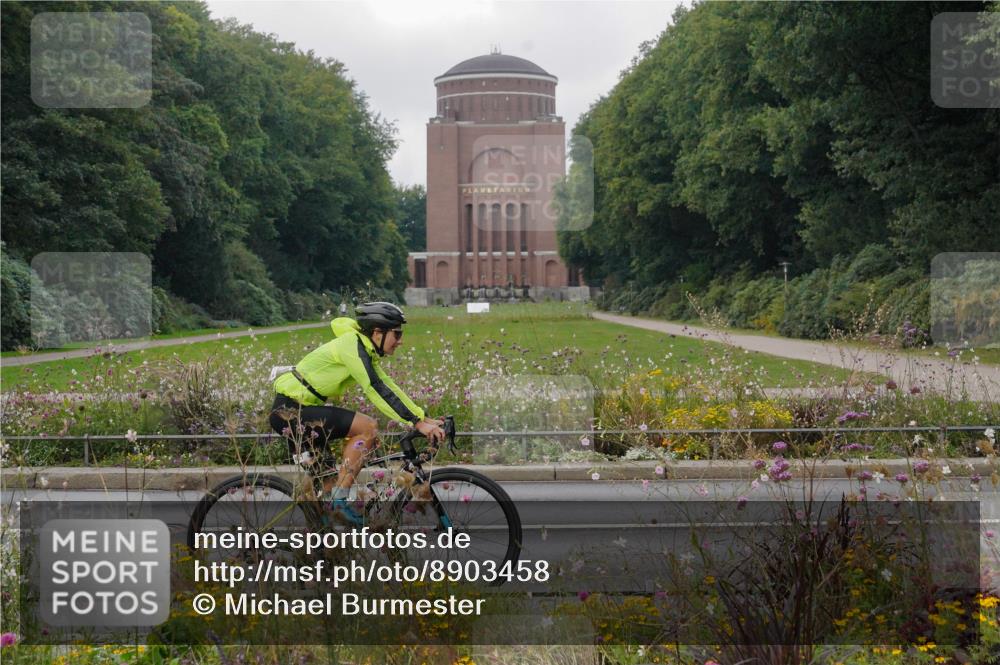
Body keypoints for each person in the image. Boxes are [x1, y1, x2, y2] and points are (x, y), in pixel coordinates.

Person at [269, 301, 445, 525]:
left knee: (327, 495)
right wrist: (417, 423)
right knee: (367, 427)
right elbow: (375, 387)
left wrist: (422, 418)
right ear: (377, 332)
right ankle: (340, 499)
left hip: (301, 412)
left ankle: (325, 538)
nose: (400, 341)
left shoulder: (363, 348)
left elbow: (388, 385)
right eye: (397, 334)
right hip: (291, 413)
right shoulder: (352, 346)